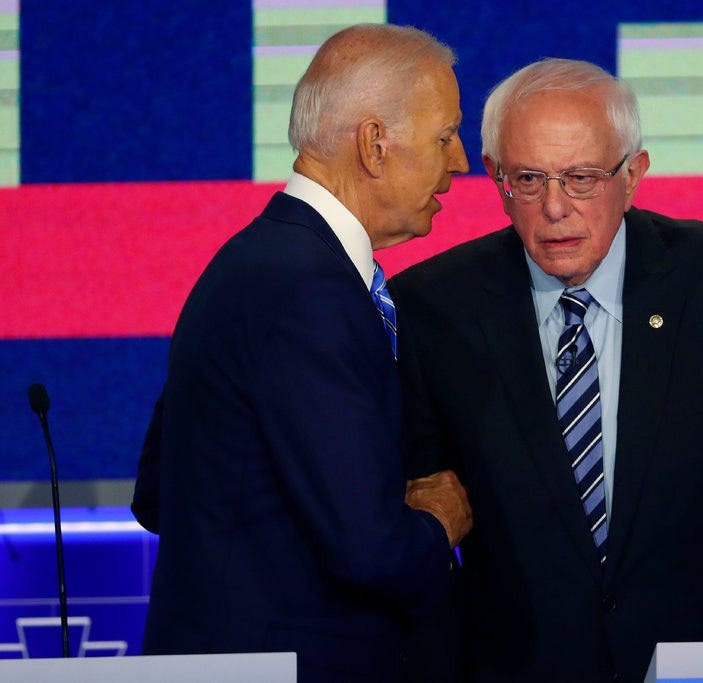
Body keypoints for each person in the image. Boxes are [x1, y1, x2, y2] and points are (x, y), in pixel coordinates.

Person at [390, 58, 703, 683]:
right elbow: (415, 520)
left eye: (580, 178)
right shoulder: (432, 306)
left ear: (633, 175)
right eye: (528, 178)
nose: (554, 208)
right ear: (495, 177)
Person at [130, 24, 472, 683]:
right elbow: (370, 550)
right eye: (444, 135)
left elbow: (160, 493)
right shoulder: (310, 292)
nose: (459, 161)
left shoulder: (249, 262)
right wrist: (436, 523)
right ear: (375, 144)